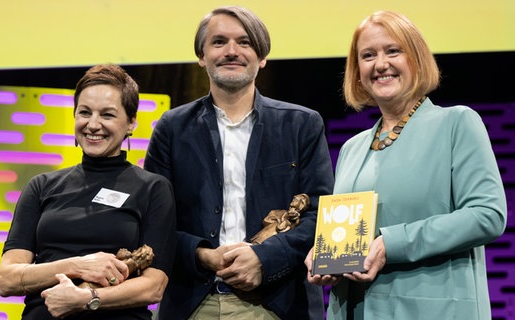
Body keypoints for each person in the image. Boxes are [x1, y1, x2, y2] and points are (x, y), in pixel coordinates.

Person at [305, 10, 507, 320]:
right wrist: (327, 258)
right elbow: (346, 233)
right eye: (368, 55)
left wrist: (391, 244)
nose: (380, 64)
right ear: (357, 70)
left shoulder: (456, 123)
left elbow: (487, 215)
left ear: (416, 58)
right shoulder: (351, 148)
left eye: (393, 51)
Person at [143, 5, 334, 320]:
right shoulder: (171, 128)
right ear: (202, 56)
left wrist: (263, 258)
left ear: (261, 57)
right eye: (219, 42)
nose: (231, 51)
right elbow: (154, 222)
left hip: (277, 304)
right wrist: (201, 254)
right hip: (191, 304)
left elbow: (322, 214)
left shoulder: (302, 124)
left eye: (244, 42)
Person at [0, 64, 177, 320]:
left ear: (131, 122)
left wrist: (86, 299)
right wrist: (78, 266)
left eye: (107, 115)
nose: (93, 124)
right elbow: (8, 279)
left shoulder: (153, 188)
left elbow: (153, 287)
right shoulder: (41, 186)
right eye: (84, 112)